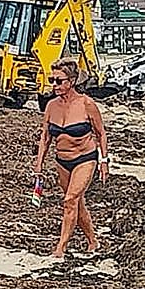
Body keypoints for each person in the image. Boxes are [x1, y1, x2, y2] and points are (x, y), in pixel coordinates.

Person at [32, 58, 109, 257]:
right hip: (62, 161)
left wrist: (104, 161)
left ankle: (60, 248)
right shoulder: (51, 106)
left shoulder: (86, 104)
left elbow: (100, 133)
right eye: (52, 80)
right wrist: (39, 162)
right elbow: (46, 136)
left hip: (85, 158)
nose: (54, 85)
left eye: (59, 81)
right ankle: (93, 241)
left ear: (72, 81)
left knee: (69, 200)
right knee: (76, 202)